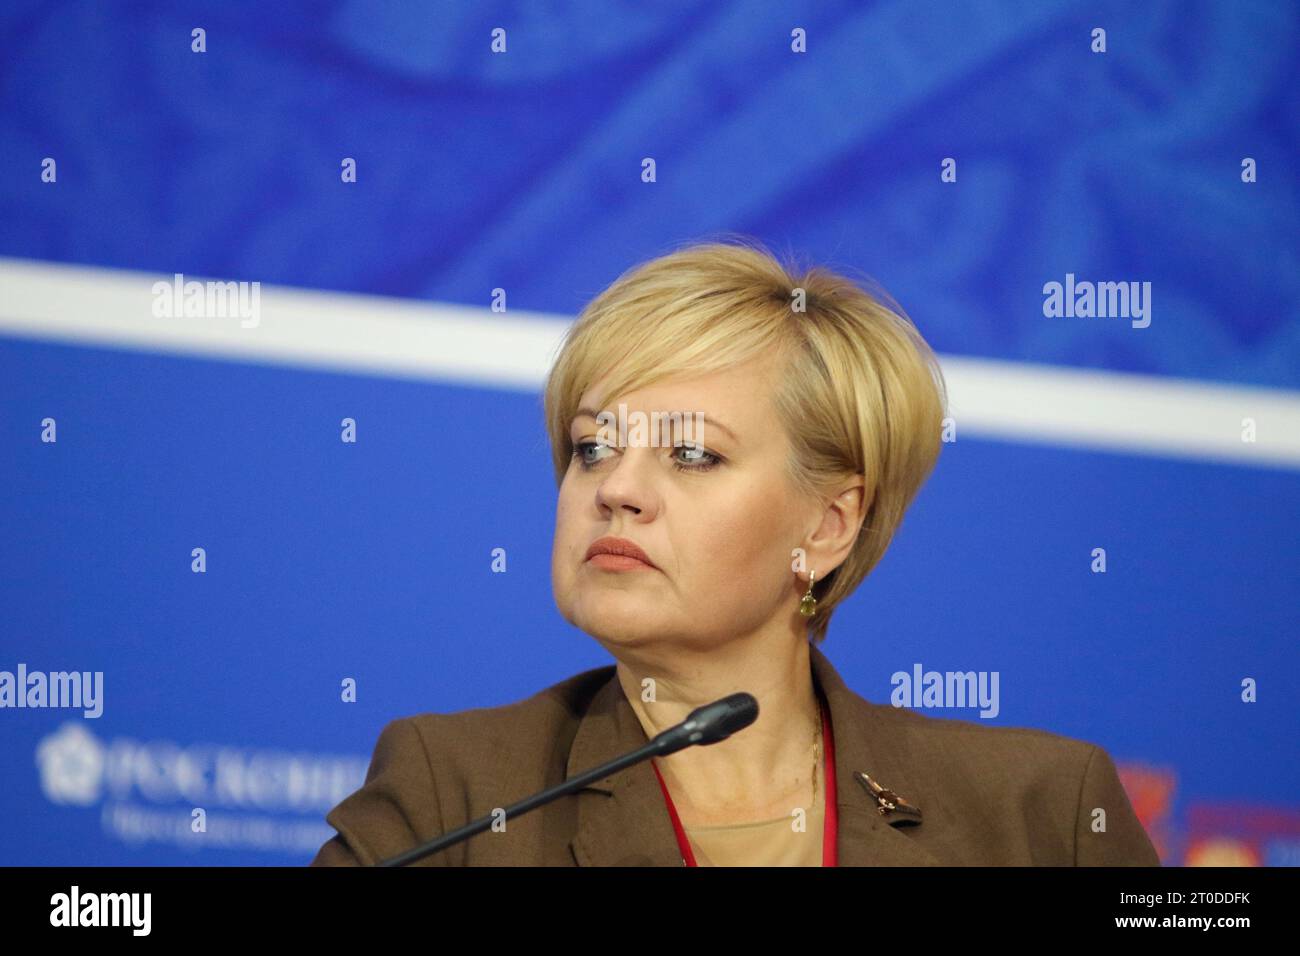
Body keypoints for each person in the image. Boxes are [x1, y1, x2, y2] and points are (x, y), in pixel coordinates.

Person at [310, 237, 1160, 867]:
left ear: (827, 526)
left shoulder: (1040, 811)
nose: (617, 489)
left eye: (692, 455)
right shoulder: (453, 795)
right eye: (592, 447)